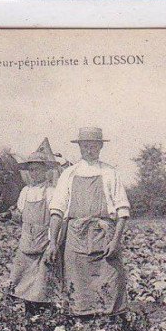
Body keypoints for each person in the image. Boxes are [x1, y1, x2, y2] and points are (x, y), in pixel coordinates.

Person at [46, 127, 130, 317]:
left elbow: (123, 211)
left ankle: (111, 327)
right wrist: (52, 242)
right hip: (75, 237)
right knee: (77, 286)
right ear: (79, 147)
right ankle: (81, 327)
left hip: (104, 237)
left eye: (93, 146)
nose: (89, 150)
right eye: (85, 146)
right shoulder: (69, 174)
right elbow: (57, 211)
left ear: (100, 147)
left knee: (110, 281)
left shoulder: (110, 172)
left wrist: (115, 241)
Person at [8, 145, 59, 316]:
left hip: (43, 243)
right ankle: (30, 319)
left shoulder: (51, 192)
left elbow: (55, 219)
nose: (34, 173)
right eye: (31, 170)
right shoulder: (25, 192)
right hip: (26, 243)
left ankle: (44, 320)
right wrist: (10, 216)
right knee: (24, 285)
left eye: (37, 169)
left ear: (45, 171)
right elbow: (21, 216)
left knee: (42, 286)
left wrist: (53, 242)